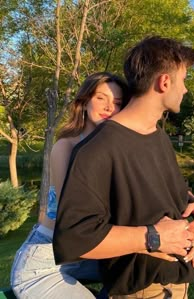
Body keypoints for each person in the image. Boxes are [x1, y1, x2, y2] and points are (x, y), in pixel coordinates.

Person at [53, 37, 194, 299]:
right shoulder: (97, 149)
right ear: (164, 82)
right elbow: (75, 238)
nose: (185, 90)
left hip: (178, 285)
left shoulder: (159, 137)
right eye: (183, 80)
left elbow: (170, 195)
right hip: (140, 291)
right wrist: (153, 238)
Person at [10, 72, 131, 299]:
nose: (108, 107)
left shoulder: (115, 149)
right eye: (101, 98)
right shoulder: (66, 147)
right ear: (84, 102)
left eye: (117, 102)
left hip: (88, 255)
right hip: (45, 263)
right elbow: (79, 213)